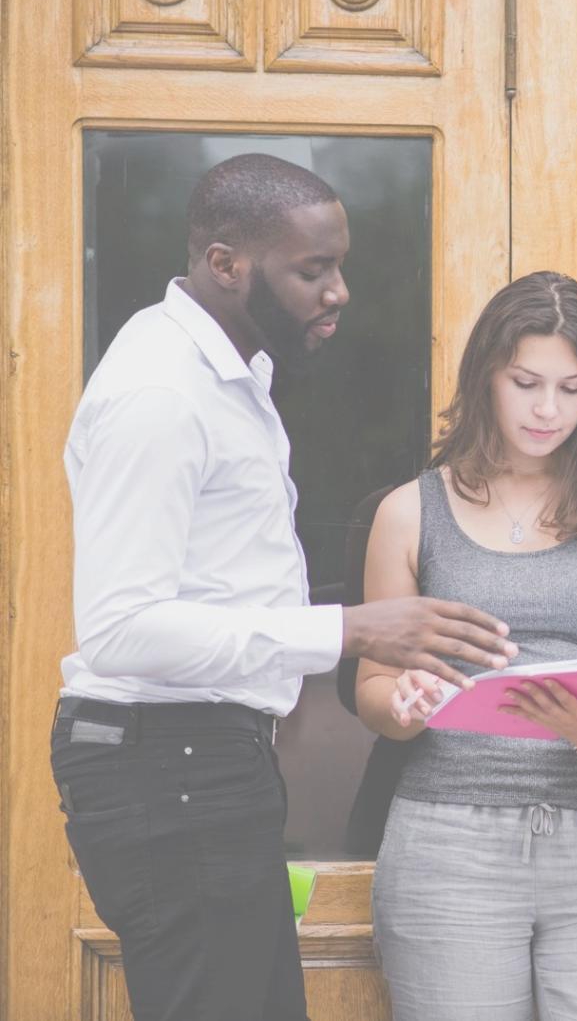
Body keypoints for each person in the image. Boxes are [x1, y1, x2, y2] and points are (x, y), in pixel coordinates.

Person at [51, 152, 516, 1021]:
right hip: (167, 766)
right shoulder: (162, 393)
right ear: (225, 264)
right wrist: (349, 630)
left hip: (202, 761)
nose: (338, 291)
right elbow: (121, 629)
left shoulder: (230, 379)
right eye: (313, 270)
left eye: (338, 266)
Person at [355, 271, 577, 1021]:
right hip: (447, 842)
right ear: (485, 378)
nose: (547, 410)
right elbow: (372, 689)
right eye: (525, 383)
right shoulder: (408, 512)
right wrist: (405, 704)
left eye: (572, 388)